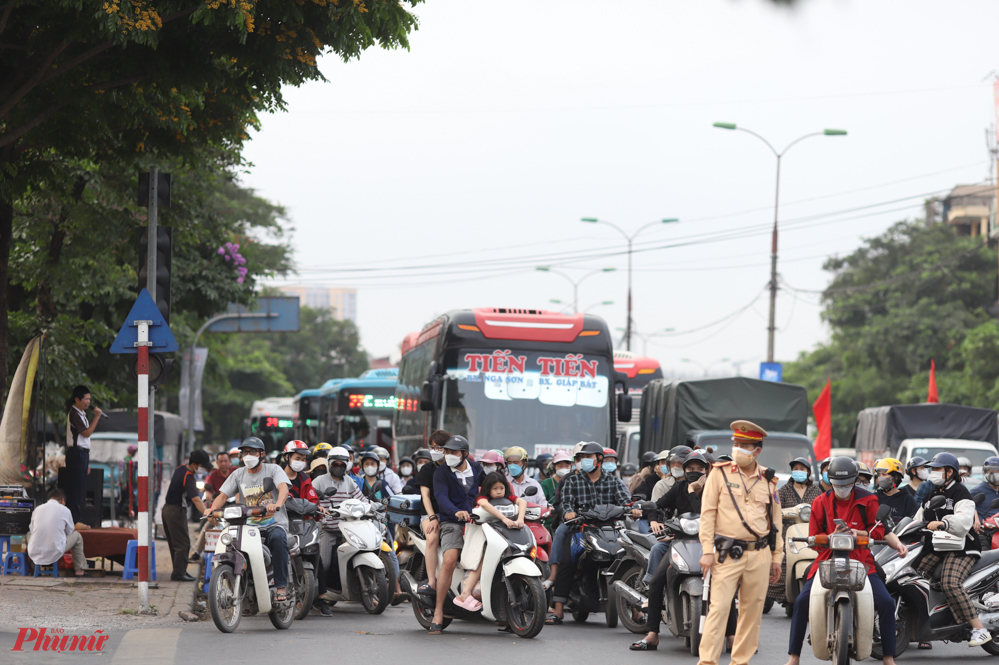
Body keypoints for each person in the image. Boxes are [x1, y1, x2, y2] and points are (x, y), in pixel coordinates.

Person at [784, 456, 908, 665]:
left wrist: (868, 535)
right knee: (802, 601)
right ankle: (794, 657)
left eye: (847, 483)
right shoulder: (819, 502)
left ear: (854, 480)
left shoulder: (868, 500)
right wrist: (826, 538)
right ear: (830, 482)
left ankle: (888, 657)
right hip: (826, 560)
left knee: (886, 603)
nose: (842, 488)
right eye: (837, 484)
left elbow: (879, 530)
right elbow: (814, 537)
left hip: (861, 561)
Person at [696, 421, 782, 665]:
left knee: (751, 614)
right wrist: (706, 551)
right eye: (736, 444)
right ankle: (708, 662)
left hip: (760, 554)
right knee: (719, 609)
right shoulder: (719, 473)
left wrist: (776, 558)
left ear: (757, 450)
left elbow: (775, 523)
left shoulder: (769, 480)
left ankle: (740, 662)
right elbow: (708, 514)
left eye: (744, 445)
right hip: (726, 553)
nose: (738, 450)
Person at [548, 441, 641, 624]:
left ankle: (636, 609)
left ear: (599, 458)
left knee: (627, 561)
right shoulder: (573, 480)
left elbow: (626, 501)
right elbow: (566, 502)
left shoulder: (613, 481)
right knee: (568, 560)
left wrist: (634, 509)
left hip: (611, 529)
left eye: (588, 457)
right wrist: (568, 511)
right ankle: (558, 609)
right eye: (582, 458)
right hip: (582, 528)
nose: (584, 461)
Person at [631, 452, 714, 650]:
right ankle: (652, 634)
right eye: (690, 469)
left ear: (707, 471)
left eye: (699, 469)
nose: (695, 473)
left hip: (709, 545)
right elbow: (657, 505)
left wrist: (695, 492)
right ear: (684, 471)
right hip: (679, 542)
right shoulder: (678, 487)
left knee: (725, 582)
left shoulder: (713, 490)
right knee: (658, 580)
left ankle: (730, 635)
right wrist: (651, 517)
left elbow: (705, 513)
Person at [911, 452, 993, 647]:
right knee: (912, 573)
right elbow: (917, 518)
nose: (933, 472)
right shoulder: (932, 494)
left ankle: (979, 629)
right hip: (937, 547)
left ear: (949, 472)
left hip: (961, 547)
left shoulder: (960, 492)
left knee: (950, 582)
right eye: (932, 469)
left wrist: (943, 523)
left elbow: (964, 520)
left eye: (937, 469)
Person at [205, 437, 292, 604]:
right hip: (248, 526)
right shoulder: (238, 474)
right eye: (245, 452)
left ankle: (281, 586)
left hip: (273, 523)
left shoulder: (273, 469)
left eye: (252, 452)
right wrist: (211, 509)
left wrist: (278, 504)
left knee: (278, 540)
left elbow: (283, 488)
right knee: (234, 546)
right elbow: (222, 496)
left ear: (262, 454)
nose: (248, 455)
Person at [429, 435, 484, 634]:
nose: (449, 455)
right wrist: (455, 512)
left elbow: (490, 489)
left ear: (465, 454)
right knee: (450, 559)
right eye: (447, 451)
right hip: (451, 522)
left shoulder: (477, 469)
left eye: (454, 452)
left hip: (477, 522)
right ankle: (438, 611)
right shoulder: (441, 472)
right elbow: (441, 497)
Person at [452, 472, 527, 612]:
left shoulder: (507, 498)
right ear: (488, 489)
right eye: (495, 488)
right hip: (479, 536)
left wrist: (520, 519)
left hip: (499, 535)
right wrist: (504, 519)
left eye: (501, 488)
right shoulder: (483, 498)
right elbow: (484, 504)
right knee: (481, 560)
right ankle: (465, 594)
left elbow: (522, 501)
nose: (499, 492)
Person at [311, 447, 363, 616]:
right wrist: (318, 507)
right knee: (323, 563)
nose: (339, 467)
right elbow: (310, 499)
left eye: (342, 464)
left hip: (347, 528)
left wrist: (372, 505)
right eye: (336, 464)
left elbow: (360, 499)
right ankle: (317, 596)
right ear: (329, 464)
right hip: (327, 529)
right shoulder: (319, 481)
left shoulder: (349, 481)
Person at [766, 457, 823, 607]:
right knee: (782, 560)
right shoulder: (783, 490)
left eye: (802, 469)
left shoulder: (816, 491)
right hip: (788, 533)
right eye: (796, 469)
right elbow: (775, 511)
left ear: (808, 472)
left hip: (810, 532)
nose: (799, 472)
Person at [162, 449, 211, 581]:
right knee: (183, 544)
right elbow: (196, 499)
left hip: (167, 509)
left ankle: (180, 570)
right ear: (195, 464)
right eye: (203, 466)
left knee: (176, 543)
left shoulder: (180, 468)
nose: (204, 470)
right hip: (176, 511)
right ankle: (178, 573)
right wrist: (207, 512)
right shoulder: (188, 477)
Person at [413, 430, 451, 595]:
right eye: (432, 447)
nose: (435, 450)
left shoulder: (455, 468)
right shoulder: (427, 469)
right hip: (429, 514)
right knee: (432, 538)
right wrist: (433, 517)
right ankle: (431, 582)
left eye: (439, 447)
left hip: (451, 515)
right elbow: (425, 497)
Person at [28, 489, 90, 577]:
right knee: (77, 536)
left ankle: (32, 568)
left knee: (28, 535)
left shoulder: (38, 509)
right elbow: (70, 531)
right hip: (56, 548)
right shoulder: (65, 510)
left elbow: (32, 529)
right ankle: (79, 570)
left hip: (35, 549)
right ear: (62, 500)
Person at [65, 385, 103, 524]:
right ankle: (74, 521)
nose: (88, 402)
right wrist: (97, 417)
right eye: (86, 399)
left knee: (80, 488)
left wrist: (87, 462)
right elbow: (86, 433)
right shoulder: (74, 413)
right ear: (77, 399)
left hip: (82, 454)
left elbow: (85, 441)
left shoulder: (81, 413)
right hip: (76, 454)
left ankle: (76, 519)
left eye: (89, 399)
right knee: (75, 489)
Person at [971, 456, 999, 522]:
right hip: (986, 529)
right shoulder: (977, 491)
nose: (993, 473)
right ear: (985, 472)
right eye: (989, 471)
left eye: (997, 470)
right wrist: (976, 520)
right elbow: (968, 507)